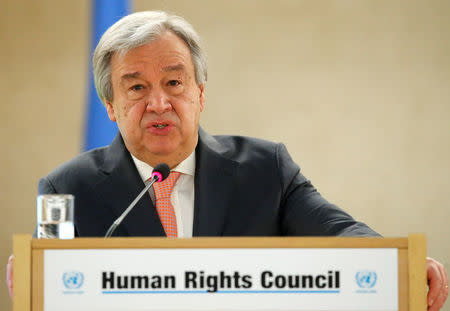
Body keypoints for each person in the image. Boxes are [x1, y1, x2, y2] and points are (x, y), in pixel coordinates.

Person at [6, 11, 448, 309]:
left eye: (174, 82)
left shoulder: (265, 169)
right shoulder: (64, 188)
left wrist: (396, 264)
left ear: (199, 92)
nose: (159, 103)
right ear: (110, 105)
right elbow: (50, 275)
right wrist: (33, 274)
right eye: (136, 88)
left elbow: (337, 230)